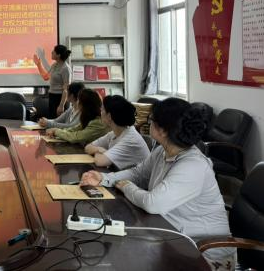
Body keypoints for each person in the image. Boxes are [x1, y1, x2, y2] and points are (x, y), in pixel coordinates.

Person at [80, 98, 234, 270]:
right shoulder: (162, 151)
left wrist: (127, 186)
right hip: (173, 237)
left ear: (163, 130)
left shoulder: (193, 165)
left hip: (205, 254)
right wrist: (104, 179)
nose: (149, 123)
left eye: (151, 120)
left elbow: (153, 203)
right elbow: (138, 173)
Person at [84, 95, 150, 169]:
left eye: (102, 110)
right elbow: (88, 147)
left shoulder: (130, 138)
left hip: (136, 177)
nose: (100, 112)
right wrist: (99, 150)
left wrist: (98, 150)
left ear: (109, 116)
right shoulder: (115, 132)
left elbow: (100, 161)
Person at [33, 44, 71, 118]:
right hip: (52, 96)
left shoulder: (66, 68)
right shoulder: (54, 65)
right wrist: (38, 65)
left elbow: (66, 89)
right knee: (52, 119)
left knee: (59, 121)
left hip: (60, 98)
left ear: (58, 55)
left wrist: (61, 105)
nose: (52, 52)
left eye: (54, 52)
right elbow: (46, 77)